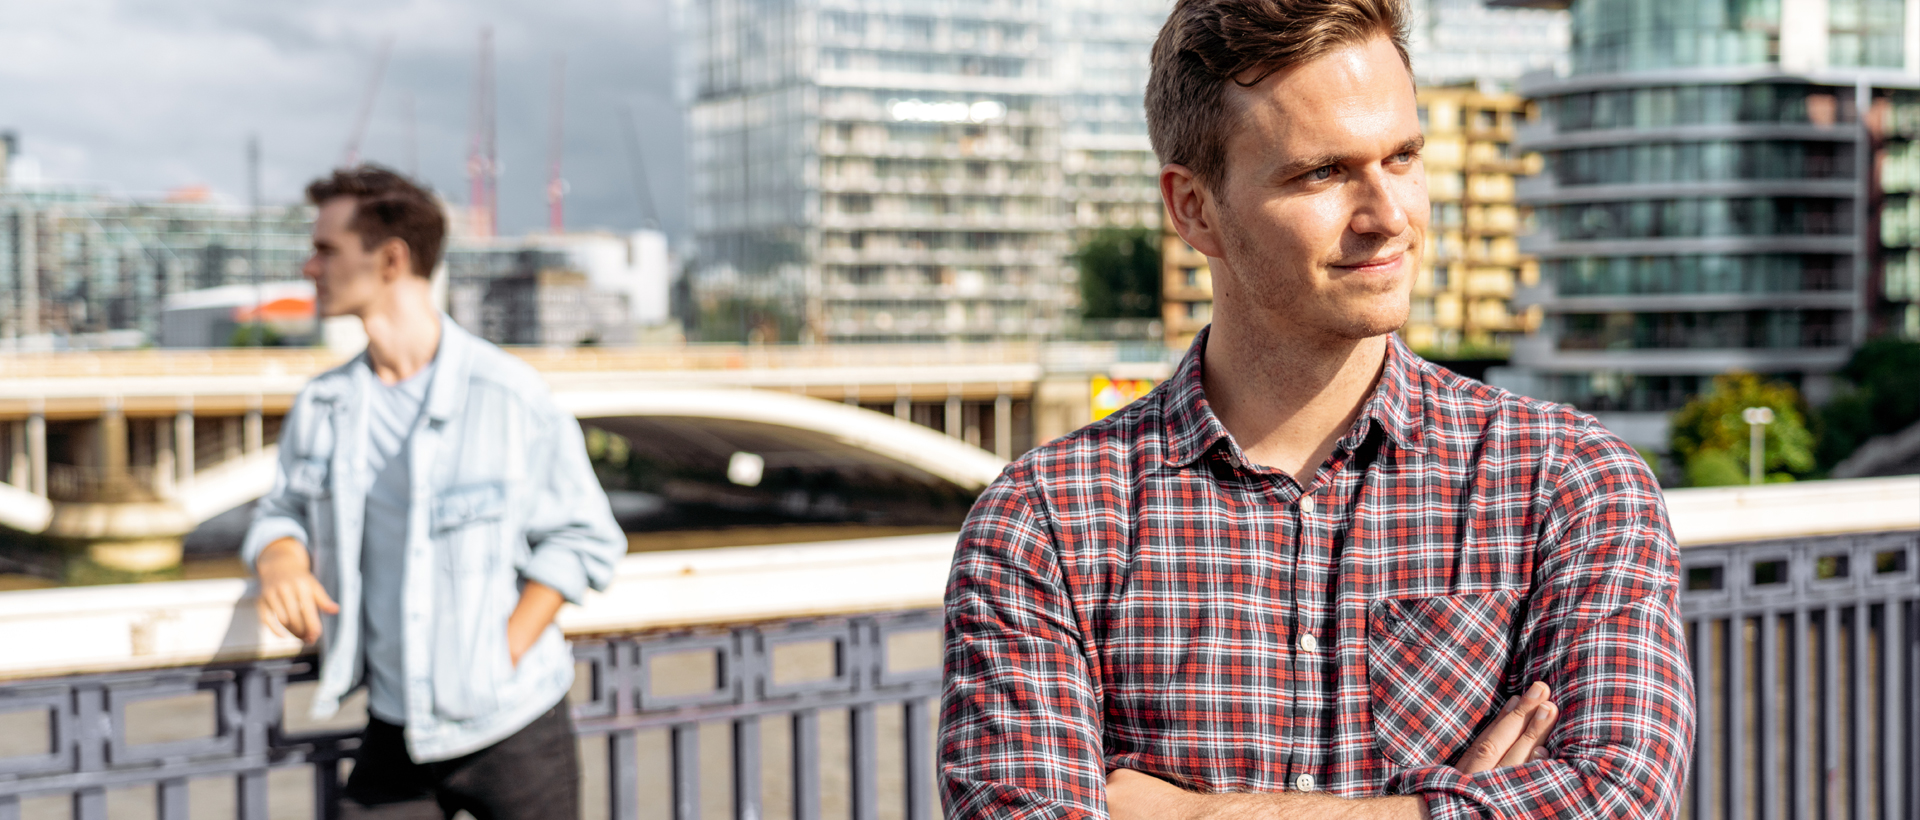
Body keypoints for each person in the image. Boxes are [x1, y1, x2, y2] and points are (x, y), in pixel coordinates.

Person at [937, 1, 1695, 818]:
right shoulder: (1046, 521)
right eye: (1323, 173)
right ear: (1193, 208)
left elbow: (1614, 796)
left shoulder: (1568, 485)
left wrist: (1201, 814)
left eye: (1403, 157)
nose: (1388, 217)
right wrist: (1455, 807)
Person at [244, 166, 626, 819]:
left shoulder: (508, 394)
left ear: (391, 259)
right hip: (396, 725)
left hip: (515, 723)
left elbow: (584, 536)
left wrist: (500, 652)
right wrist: (282, 557)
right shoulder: (324, 405)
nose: (310, 266)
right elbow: (281, 507)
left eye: (327, 249)